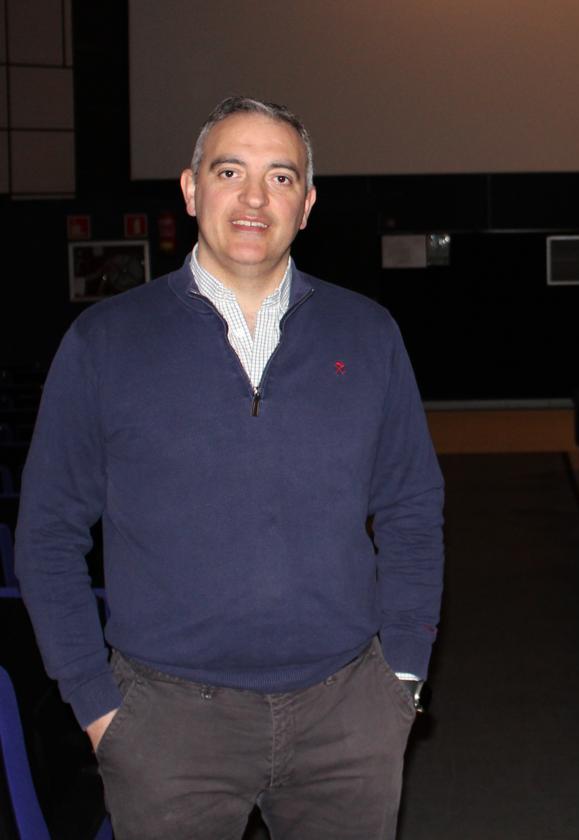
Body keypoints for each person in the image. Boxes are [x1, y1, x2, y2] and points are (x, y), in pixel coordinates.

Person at [16, 96, 444, 839]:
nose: (254, 197)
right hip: (166, 725)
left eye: (280, 177)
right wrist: (97, 706)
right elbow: (49, 533)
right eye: (230, 171)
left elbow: (411, 510)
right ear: (190, 190)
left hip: (347, 718)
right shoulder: (105, 342)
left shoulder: (368, 335)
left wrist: (400, 679)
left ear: (307, 205)